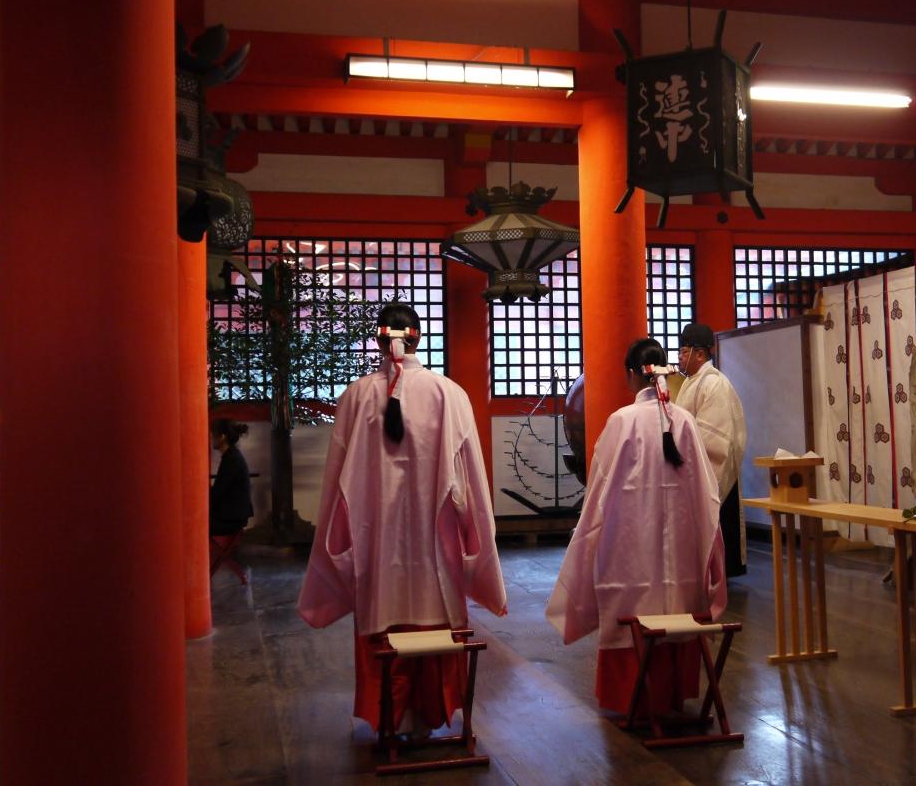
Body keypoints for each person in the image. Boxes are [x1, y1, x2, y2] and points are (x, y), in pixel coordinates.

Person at [298, 302, 506, 740]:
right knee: (436, 616)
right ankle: (428, 718)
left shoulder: (356, 396)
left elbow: (338, 486)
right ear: (418, 337)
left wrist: (336, 548)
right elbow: (471, 483)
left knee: (383, 617)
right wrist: (477, 548)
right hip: (437, 551)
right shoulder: (449, 393)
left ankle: (390, 720)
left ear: (378, 340)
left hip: (377, 550)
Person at [547, 338, 726, 715]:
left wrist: (588, 537)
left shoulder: (622, 421)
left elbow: (599, 489)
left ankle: (634, 697)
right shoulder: (684, 421)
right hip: (681, 551)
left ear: (631, 375)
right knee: (676, 604)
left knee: (632, 605)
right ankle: (672, 694)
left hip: (631, 547)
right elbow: (706, 492)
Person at [675, 322, 749, 577]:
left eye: (684, 351)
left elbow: (715, 436)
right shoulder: (692, 381)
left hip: (712, 468)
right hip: (693, 465)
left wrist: (681, 445)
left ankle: (719, 574)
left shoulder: (715, 383)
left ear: (700, 354)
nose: (680, 357)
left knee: (718, 524)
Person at [209, 418, 253, 536]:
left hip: (231, 519)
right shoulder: (232, 455)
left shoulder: (231, 459)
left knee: (193, 522)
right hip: (232, 516)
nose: (211, 437)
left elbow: (217, 493)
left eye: (213, 434)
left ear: (222, 437)